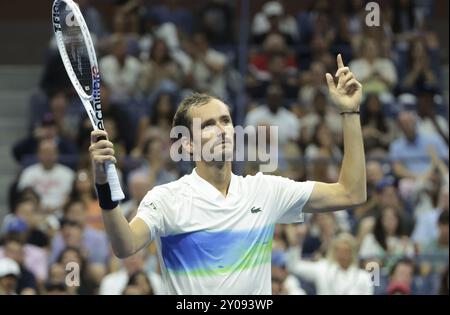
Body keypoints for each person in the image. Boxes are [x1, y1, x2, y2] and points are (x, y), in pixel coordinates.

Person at [89, 54, 367, 294]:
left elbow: (351, 192)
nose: (222, 129)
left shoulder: (265, 191)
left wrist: (350, 112)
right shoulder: (166, 199)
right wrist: (103, 184)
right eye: (209, 125)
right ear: (187, 143)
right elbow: (125, 245)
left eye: (226, 121)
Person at [286, 232, 373, 295]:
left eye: (346, 251)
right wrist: (295, 245)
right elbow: (294, 267)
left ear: (352, 252)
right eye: (339, 250)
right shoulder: (322, 268)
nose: (343, 255)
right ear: (334, 251)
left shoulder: (363, 276)